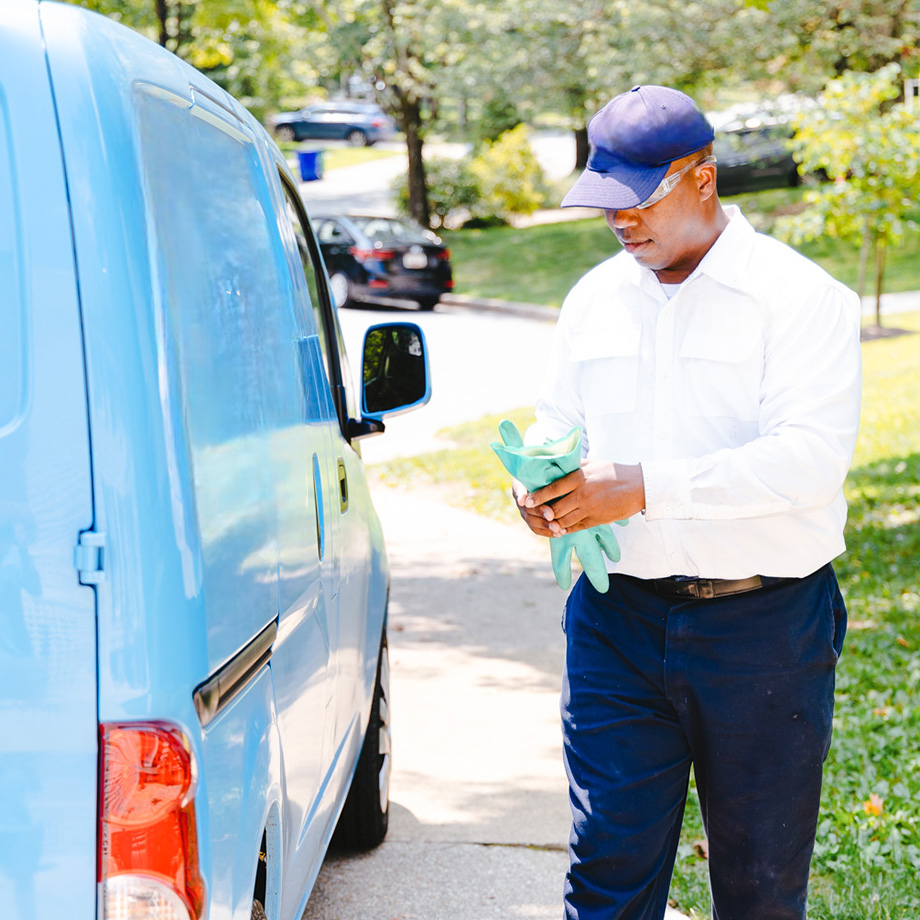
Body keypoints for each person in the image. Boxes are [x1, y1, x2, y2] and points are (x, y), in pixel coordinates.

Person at [512, 85, 862, 920]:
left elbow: (809, 462)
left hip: (765, 630)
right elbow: (556, 423)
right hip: (615, 625)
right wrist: (534, 485)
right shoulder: (594, 299)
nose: (621, 220)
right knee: (605, 875)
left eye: (640, 198)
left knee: (759, 887)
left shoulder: (800, 297)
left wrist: (643, 487)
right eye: (607, 202)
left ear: (703, 177)